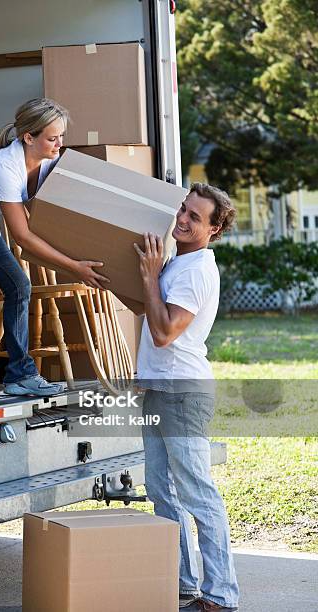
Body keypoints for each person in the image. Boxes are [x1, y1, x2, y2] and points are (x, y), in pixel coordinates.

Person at [0, 98, 109, 403]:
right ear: (29, 137)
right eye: (52, 139)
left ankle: (20, 376)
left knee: (19, 286)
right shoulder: (6, 167)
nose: (59, 145)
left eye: (62, 137)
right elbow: (22, 236)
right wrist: (73, 266)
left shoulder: (45, 160)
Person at [134, 183, 239, 611]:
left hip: (182, 392)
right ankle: (181, 584)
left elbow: (163, 333)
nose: (182, 219)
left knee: (197, 494)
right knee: (162, 492)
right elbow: (153, 314)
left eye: (195, 217)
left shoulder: (196, 271)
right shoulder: (178, 262)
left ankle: (221, 595)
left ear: (213, 229)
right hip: (160, 388)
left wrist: (148, 279)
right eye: (183, 210)